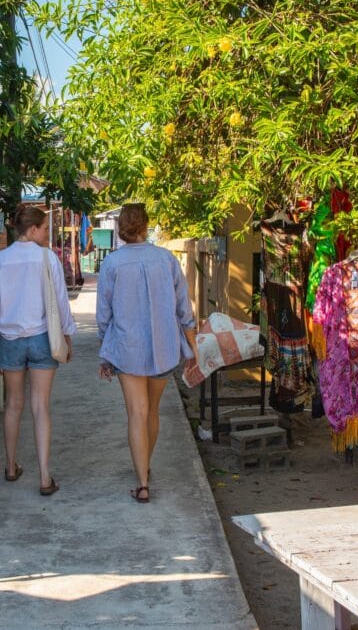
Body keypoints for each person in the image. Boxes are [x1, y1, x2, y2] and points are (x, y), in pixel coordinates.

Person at [96, 203, 197, 503]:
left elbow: (104, 314)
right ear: (145, 225)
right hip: (163, 346)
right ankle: (146, 466)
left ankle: (142, 482)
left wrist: (106, 350)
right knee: (152, 411)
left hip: (128, 348)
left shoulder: (112, 264)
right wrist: (191, 347)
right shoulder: (165, 259)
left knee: (136, 413)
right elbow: (184, 307)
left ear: (121, 228)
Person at [0, 206, 76, 496]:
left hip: (10, 339)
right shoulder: (48, 258)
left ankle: (11, 467)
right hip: (41, 338)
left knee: (13, 405)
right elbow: (61, 302)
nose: (48, 234)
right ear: (32, 229)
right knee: (40, 407)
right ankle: (45, 477)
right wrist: (67, 337)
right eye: (46, 228)